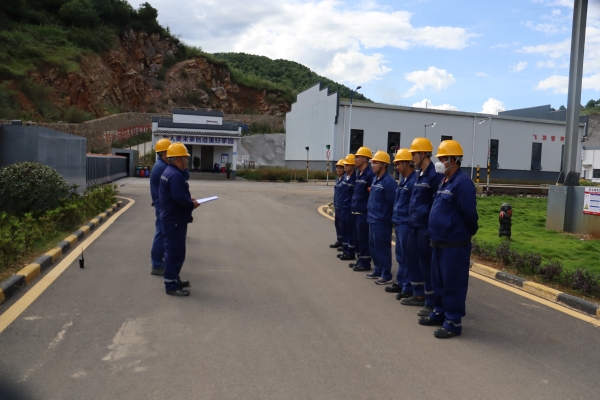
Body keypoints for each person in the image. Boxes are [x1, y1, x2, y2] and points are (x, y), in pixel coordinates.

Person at [418, 140, 479, 339]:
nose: (440, 162)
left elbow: (469, 213)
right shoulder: (445, 181)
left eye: (443, 158)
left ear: (453, 160)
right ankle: (440, 313)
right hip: (439, 241)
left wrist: (468, 232)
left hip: (454, 243)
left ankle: (453, 322)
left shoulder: (462, 183)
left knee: (453, 283)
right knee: (439, 281)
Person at [400, 138, 443, 318]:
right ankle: (418, 294)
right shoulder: (419, 174)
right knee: (413, 260)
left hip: (425, 227)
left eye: (414, 154)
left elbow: (436, 204)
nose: (412, 157)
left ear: (423, 154)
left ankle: (430, 300)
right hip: (414, 225)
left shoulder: (434, 175)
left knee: (427, 264)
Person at [159, 143, 199, 296]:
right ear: (180, 159)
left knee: (174, 251)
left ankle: (174, 279)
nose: (187, 161)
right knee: (174, 252)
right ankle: (171, 285)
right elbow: (179, 198)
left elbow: (176, 196)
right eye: (186, 158)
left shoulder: (168, 172)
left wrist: (188, 200)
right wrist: (191, 204)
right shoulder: (175, 175)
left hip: (171, 218)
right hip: (174, 219)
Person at [386, 148, 416, 299]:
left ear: (407, 163)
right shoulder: (403, 180)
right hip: (399, 222)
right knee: (399, 255)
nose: (397, 167)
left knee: (406, 256)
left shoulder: (413, 181)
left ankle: (408, 286)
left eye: (398, 164)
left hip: (406, 224)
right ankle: (401, 282)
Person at [365, 151, 397, 284]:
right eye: (372, 163)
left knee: (382, 247)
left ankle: (386, 274)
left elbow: (392, 202)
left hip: (382, 221)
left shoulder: (389, 182)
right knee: (373, 246)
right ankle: (378, 269)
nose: (372, 165)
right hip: (372, 219)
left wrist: (388, 220)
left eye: (375, 163)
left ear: (383, 165)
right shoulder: (375, 179)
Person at [350, 147, 376, 272]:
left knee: (363, 238)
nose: (355, 159)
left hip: (363, 212)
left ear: (365, 159)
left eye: (358, 157)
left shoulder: (369, 175)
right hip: (356, 211)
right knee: (357, 238)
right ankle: (360, 259)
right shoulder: (359, 174)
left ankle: (365, 262)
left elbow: (371, 194)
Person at [149, 138, 171, 276]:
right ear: (162, 153)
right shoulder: (162, 167)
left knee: (162, 233)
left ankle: (158, 262)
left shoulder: (161, 165)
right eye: (169, 152)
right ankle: (156, 264)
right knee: (161, 233)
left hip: (160, 203)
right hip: (162, 204)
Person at [339, 154, 357, 261]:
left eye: (347, 165)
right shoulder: (345, 177)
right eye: (345, 165)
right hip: (344, 207)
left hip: (350, 208)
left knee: (350, 231)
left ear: (353, 166)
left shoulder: (355, 178)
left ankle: (350, 251)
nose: (345, 167)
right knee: (344, 230)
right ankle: (345, 250)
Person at [330, 159, 346, 250]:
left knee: (343, 225)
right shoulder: (338, 179)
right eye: (337, 168)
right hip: (337, 205)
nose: (338, 170)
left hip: (343, 206)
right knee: (337, 224)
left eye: (340, 168)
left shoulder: (345, 179)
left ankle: (344, 243)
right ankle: (339, 240)